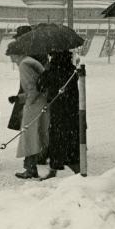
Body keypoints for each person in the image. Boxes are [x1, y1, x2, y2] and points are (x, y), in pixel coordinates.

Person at [6, 41, 49, 179]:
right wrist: (18, 98)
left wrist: (26, 105)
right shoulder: (31, 61)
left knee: (29, 137)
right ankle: (31, 167)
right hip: (42, 102)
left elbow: (32, 89)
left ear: (16, 54)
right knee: (35, 136)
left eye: (11, 55)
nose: (10, 58)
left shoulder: (24, 64)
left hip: (35, 105)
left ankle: (30, 169)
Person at [37, 50, 80, 179]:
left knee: (57, 141)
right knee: (71, 141)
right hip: (71, 111)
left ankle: (56, 170)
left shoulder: (53, 70)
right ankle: (77, 170)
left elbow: (40, 85)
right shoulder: (72, 70)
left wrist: (46, 71)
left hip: (58, 111)